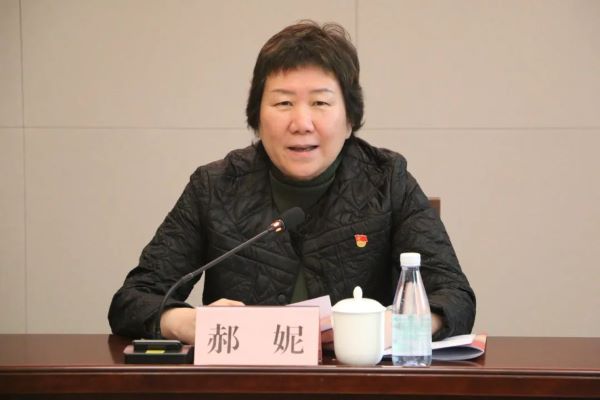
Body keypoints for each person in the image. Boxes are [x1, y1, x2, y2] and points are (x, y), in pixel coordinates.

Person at [108, 20, 476, 345]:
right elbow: (133, 299)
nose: (301, 123)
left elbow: (455, 297)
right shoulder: (215, 186)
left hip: (356, 384)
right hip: (244, 386)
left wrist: (397, 327)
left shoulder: (387, 181)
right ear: (257, 117)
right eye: (283, 103)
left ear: (350, 119)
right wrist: (188, 323)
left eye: (320, 103)